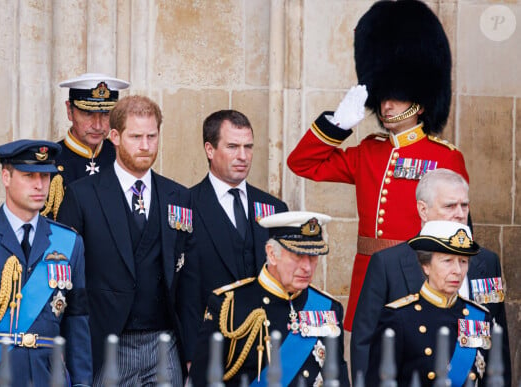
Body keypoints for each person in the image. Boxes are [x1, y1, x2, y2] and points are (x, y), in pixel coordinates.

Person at [286, 0, 469, 332]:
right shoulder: (369, 151)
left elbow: (460, 231)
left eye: (396, 96)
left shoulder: (446, 157)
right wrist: (337, 125)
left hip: (418, 278)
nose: (386, 104)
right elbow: (302, 163)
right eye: (383, 94)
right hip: (368, 277)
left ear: (420, 101)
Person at [57, 95, 193, 386]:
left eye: (151, 136)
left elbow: (190, 279)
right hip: (106, 345)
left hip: (164, 345)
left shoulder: (178, 197)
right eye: (136, 136)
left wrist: (192, 347)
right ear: (115, 136)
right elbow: (66, 278)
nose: (145, 146)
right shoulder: (82, 196)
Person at [0, 140, 92, 386]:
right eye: (28, 175)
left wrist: (81, 382)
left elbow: (77, 323)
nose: (39, 185)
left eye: (45, 177)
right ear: (6, 177)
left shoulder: (69, 242)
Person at [351, 168, 511, 385]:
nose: (459, 213)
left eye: (464, 205)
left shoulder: (487, 261)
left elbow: (498, 342)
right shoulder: (389, 263)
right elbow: (365, 343)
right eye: (449, 206)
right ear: (423, 210)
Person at [177, 109, 288, 363]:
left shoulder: (274, 209)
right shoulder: (186, 206)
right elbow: (185, 295)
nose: (243, 156)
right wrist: (193, 357)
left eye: (248, 147)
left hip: (267, 349)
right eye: (232, 146)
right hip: (213, 349)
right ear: (209, 149)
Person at [189, 211, 349, 386]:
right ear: (272, 254)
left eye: (312, 257)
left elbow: (337, 378)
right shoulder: (229, 305)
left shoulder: (328, 308)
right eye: (297, 256)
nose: (307, 267)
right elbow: (203, 380)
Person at [366, 220, 491, 386]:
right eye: (447, 261)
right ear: (426, 265)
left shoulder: (480, 317)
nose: (457, 270)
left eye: (463, 261)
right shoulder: (399, 317)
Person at [42, 72, 129, 220]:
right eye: (88, 114)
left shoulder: (122, 156)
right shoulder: (49, 161)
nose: (97, 125)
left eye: (106, 114)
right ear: (70, 111)